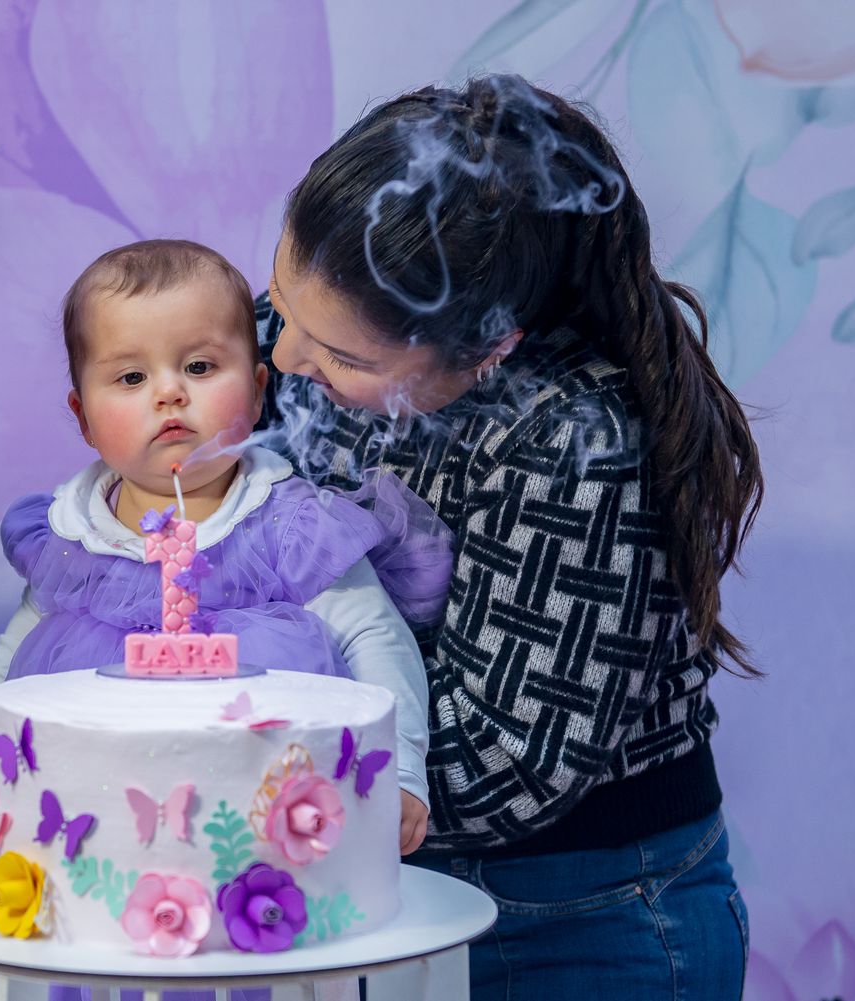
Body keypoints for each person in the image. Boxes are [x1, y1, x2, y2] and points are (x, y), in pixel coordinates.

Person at [257, 75, 759, 999]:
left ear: (490, 348)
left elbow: (502, 760)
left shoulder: (577, 442)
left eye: (343, 358)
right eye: (282, 299)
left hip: (579, 914)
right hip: (383, 883)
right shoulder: (321, 316)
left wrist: (231, 754)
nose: (283, 357)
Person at [0, 239, 453, 856]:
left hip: (260, 821)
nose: (169, 393)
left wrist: (398, 765)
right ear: (83, 418)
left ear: (258, 391)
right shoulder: (75, 534)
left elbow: (375, 639)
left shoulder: (290, 526)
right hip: (103, 821)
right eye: (132, 377)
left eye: (201, 367)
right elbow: (25, 637)